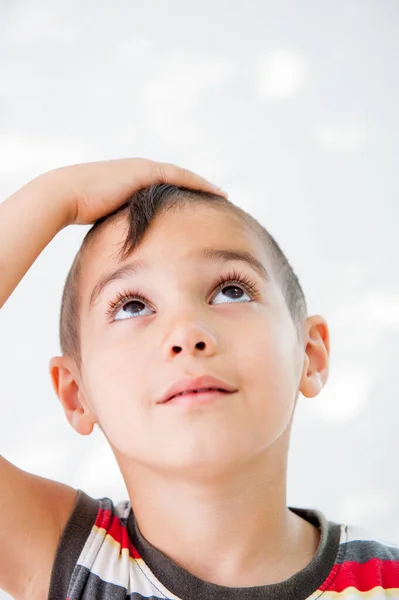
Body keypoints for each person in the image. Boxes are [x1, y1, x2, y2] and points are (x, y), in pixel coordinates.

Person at [0, 158, 398, 600]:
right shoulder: (71, 563)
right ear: (77, 394)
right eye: (133, 305)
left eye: (231, 291)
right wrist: (60, 194)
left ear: (310, 353)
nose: (187, 333)